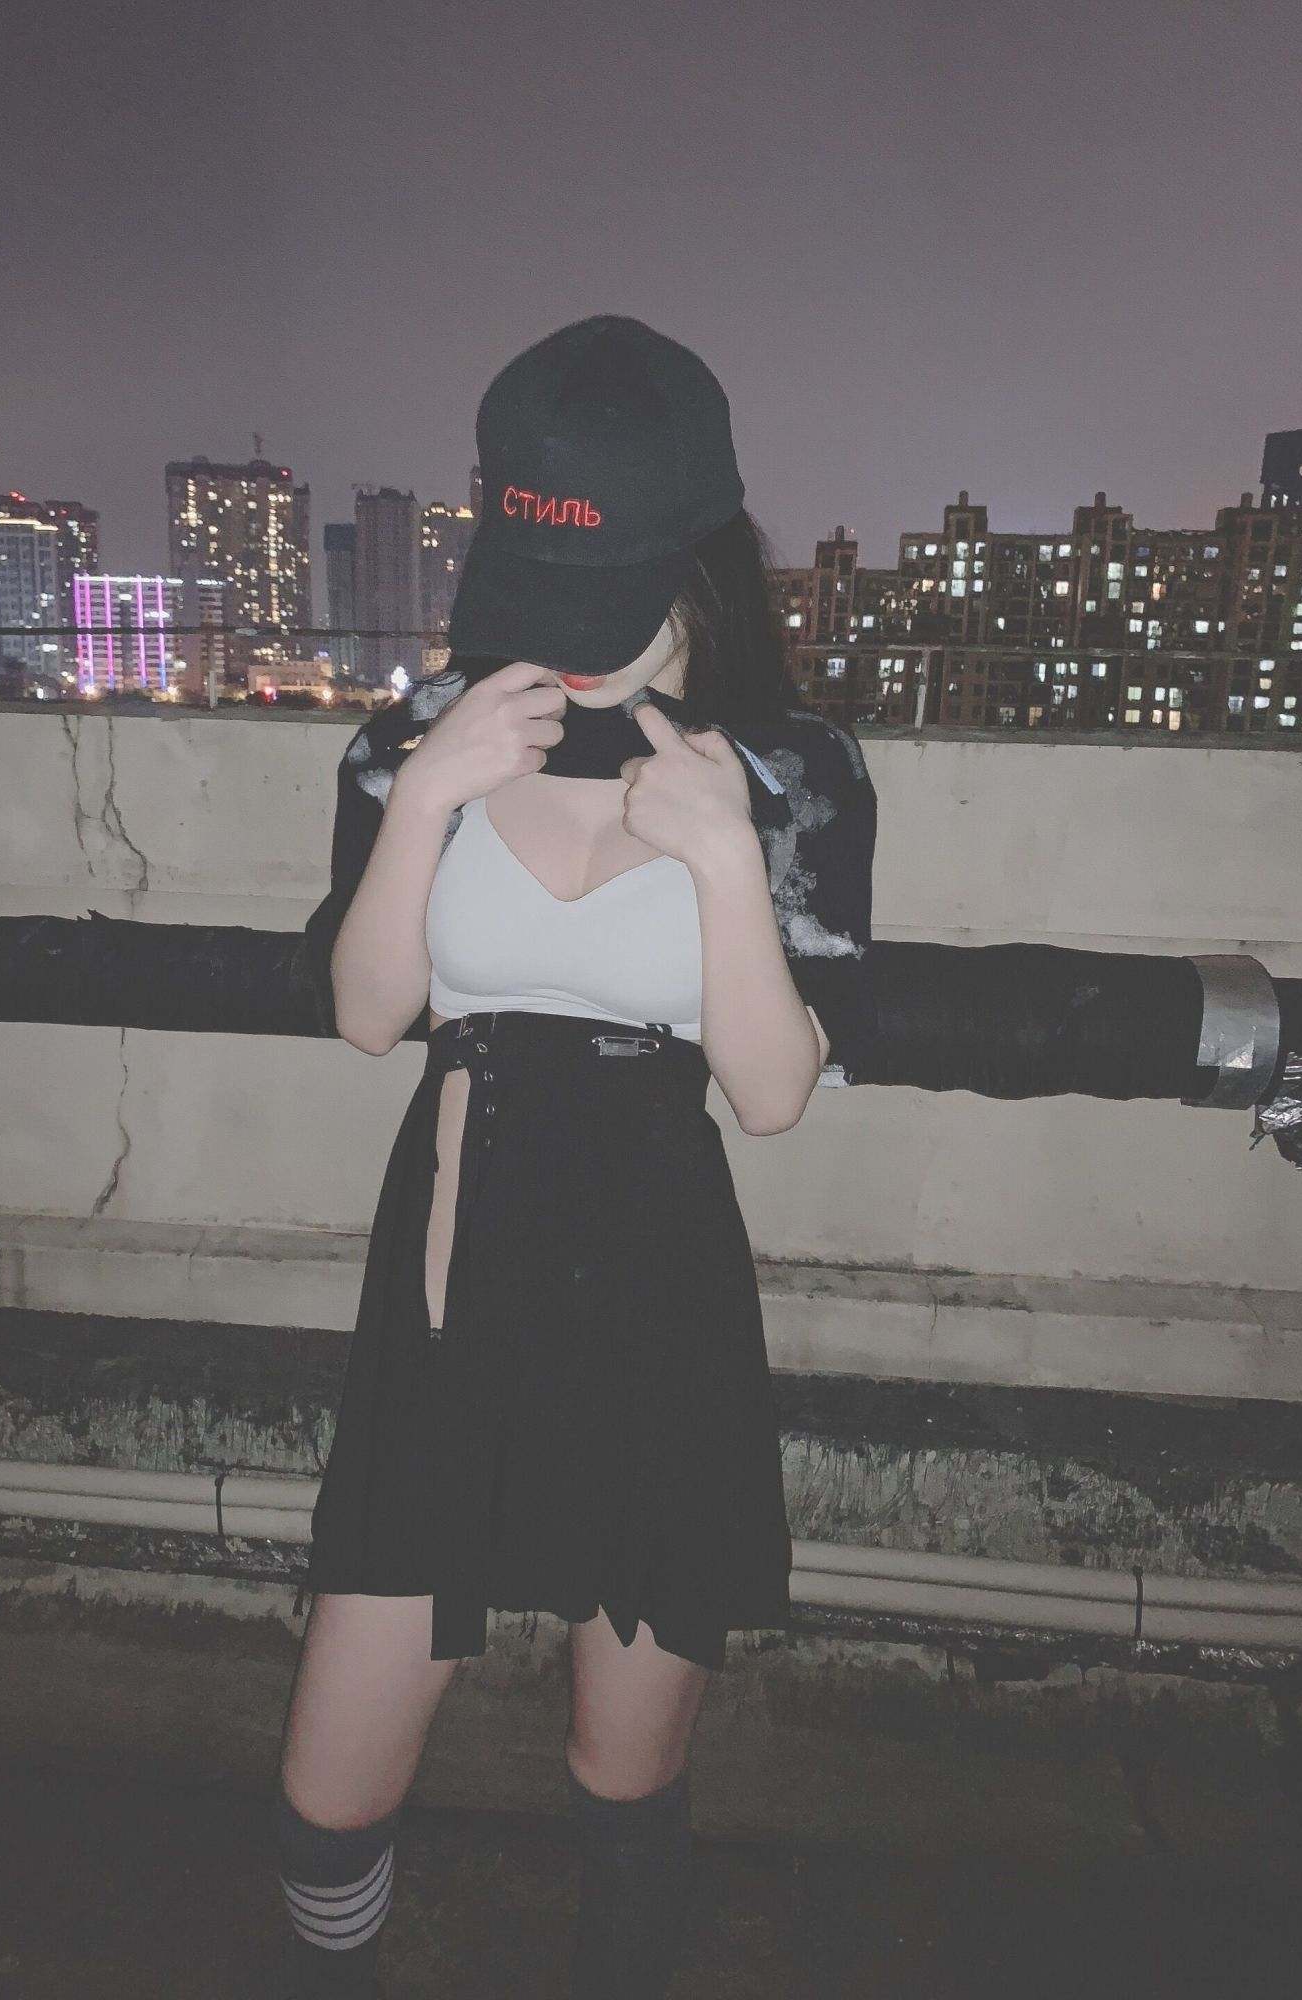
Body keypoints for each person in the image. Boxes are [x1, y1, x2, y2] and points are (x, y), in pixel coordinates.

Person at [277, 315, 878, 1998]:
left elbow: (773, 1092)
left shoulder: (791, 773)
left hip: (657, 1301)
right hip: (448, 1300)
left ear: (701, 558)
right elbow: (369, 1013)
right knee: (331, 1787)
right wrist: (424, 801)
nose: (568, 646)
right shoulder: (422, 735)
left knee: (625, 1773)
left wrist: (725, 863)